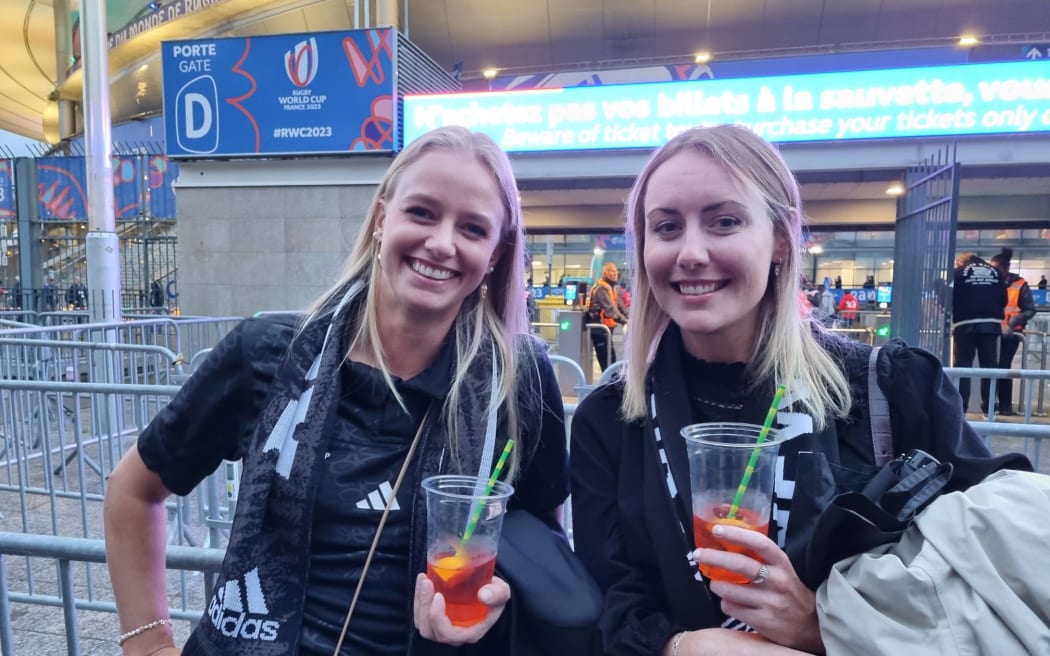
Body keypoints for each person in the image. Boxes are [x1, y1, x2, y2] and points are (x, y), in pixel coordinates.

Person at [103, 126, 569, 656]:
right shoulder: (269, 354)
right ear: (381, 220)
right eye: (421, 212)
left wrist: (496, 600)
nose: (441, 242)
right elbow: (133, 491)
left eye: (472, 228)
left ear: (493, 255)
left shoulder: (519, 381)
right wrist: (148, 645)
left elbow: (540, 550)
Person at [569, 124, 1030, 656]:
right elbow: (611, 606)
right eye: (667, 227)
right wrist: (684, 647)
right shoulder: (609, 418)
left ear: (782, 240)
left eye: (724, 222)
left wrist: (825, 623)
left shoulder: (892, 389)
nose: (691, 252)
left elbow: (998, 564)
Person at [952, 252, 1006, 414]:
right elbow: (1003, 299)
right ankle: (989, 409)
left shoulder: (959, 272)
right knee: (989, 369)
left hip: (965, 324)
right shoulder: (995, 272)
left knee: (963, 369)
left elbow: (950, 296)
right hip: (991, 325)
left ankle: (961, 410)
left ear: (962, 261)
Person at [989, 248, 1036, 415]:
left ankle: (1005, 406)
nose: (993, 272)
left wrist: (1012, 322)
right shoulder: (991, 282)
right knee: (990, 367)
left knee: (1004, 367)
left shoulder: (1019, 284)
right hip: (992, 332)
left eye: (996, 269)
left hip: (1011, 333)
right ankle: (988, 405)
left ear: (1005, 269)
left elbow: (1029, 310)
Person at [586, 262, 629, 371]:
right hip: (599, 330)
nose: (615, 274)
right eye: (612, 271)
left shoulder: (612, 288)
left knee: (611, 358)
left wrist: (629, 318)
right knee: (607, 361)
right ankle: (610, 383)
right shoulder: (601, 288)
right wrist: (625, 322)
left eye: (616, 271)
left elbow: (619, 307)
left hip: (607, 329)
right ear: (605, 273)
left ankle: (613, 382)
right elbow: (611, 310)